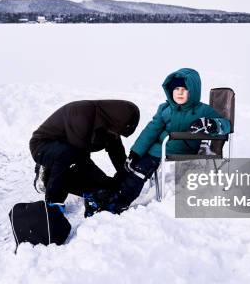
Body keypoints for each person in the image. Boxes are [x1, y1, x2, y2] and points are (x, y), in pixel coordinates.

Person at [85, 68, 231, 216]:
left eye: (184, 89)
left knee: (139, 172)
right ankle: (106, 195)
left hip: (179, 150)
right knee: (130, 167)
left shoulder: (202, 110)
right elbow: (151, 130)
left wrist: (211, 124)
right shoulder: (165, 108)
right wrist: (135, 152)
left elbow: (226, 124)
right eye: (176, 89)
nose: (179, 92)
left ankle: (119, 202)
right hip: (156, 150)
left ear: (193, 91)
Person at [29, 100, 140, 204]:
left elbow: (117, 153)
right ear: (117, 120)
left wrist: (125, 178)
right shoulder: (82, 114)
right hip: (43, 146)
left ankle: (51, 172)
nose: (117, 135)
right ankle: (52, 203)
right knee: (71, 163)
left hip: (68, 151)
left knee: (100, 185)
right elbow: (81, 161)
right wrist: (104, 183)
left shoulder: (109, 124)